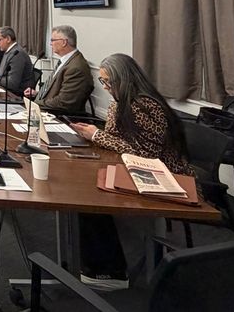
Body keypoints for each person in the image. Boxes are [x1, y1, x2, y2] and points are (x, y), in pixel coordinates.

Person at [70, 53, 195, 290]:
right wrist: (94, 133)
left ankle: (110, 271)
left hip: (165, 177)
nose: (105, 87)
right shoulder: (121, 102)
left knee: (90, 199)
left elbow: (147, 155)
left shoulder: (145, 105)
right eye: (102, 81)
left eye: (108, 82)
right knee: (85, 190)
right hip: (139, 170)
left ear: (125, 79)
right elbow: (118, 139)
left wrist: (97, 135)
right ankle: (101, 264)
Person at [24, 25, 93, 116]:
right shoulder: (66, 61)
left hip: (59, 117)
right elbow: (56, 91)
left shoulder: (76, 68)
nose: (50, 44)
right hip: (47, 110)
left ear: (64, 42)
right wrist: (37, 94)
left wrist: (36, 104)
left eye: (53, 40)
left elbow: (63, 102)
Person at [0, 26, 35, 97]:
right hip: (6, 91)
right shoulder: (9, 51)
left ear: (8, 39)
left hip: (15, 96)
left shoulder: (17, 54)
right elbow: (2, 75)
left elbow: (12, 84)